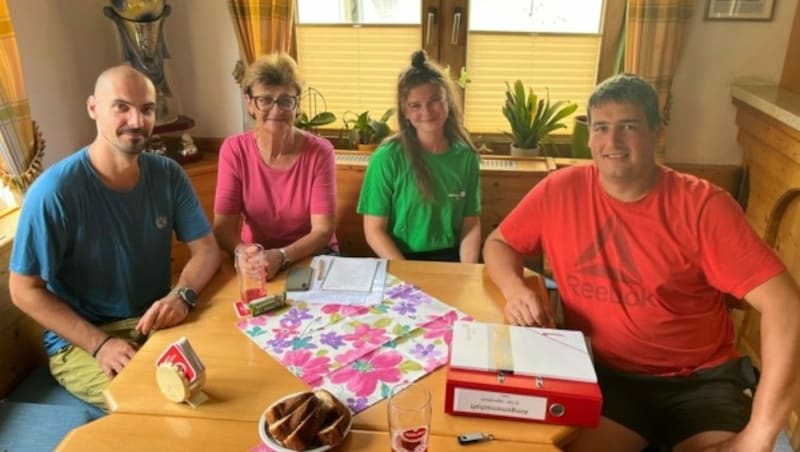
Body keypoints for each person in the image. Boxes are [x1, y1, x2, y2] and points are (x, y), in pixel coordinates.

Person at [483, 73, 800, 451]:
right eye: (601, 128)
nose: (612, 142)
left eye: (628, 126)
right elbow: (499, 242)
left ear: (657, 133)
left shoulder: (703, 207)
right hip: (607, 378)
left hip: (703, 383)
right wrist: (515, 289)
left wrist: (760, 435)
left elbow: (787, 307)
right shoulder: (559, 189)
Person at [8, 65, 221, 410]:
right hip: (81, 341)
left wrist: (181, 295)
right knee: (163, 406)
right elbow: (22, 290)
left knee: (229, 373)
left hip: (152, 321)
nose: (136, 120)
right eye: (121, 107)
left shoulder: (167, 174)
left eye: (147, 109)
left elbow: (207, 251)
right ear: (93, 108)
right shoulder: (54, 192)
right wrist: (99, 344)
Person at [214, 52, 337, 280]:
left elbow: (322, 230)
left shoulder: (321, 152)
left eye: (285, 100)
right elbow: (223, 229)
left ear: (297, 105)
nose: (276, 109)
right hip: (254, 262)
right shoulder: (234, 150)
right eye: (265, 99)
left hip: (313, 257)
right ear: (249, 103)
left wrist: (282, 256)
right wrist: (245, 254)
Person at [357, 50, 481, 262]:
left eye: (435, 100)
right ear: (405, 111)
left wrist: (466, 271)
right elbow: (374, 231)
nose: (427, 111)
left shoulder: (466, 157)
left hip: (451, 258)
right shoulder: (386, 158)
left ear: (447, 103)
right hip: (399, 259)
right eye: (415, 105)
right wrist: (407, 275)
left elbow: (470, 226)